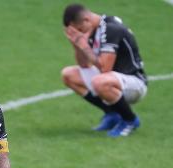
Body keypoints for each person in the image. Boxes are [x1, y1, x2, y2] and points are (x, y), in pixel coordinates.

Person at [61, 3, 147, 137]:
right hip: (113, 80)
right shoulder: (91, 30)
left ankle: (129, 120)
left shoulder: (110, 29)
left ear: (86, 20)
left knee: (99, 82)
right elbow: (84, 65)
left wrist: (84, 46)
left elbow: (105, 68)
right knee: (68, 75)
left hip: (134, 83)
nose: (80, 33)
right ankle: (113, 114)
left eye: (79, 29)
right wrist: (77, 45)